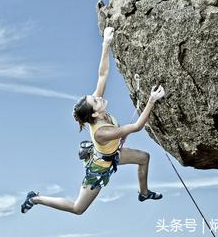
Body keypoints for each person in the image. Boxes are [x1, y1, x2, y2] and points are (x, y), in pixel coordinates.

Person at [21, 26, 166, 215]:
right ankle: (35, 198)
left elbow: (102, 74)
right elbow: (137, 126)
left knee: (144, 158)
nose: (98, 97)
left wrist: (106, 43)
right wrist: (151, 100)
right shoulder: (102, 132)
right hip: (98, 169)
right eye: (95, 100)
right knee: (78, 208)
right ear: (95, 114)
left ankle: (144, 193)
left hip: (113, 154)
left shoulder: (96, 110)